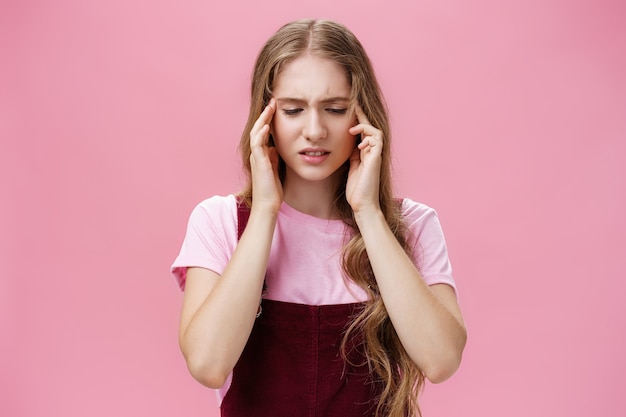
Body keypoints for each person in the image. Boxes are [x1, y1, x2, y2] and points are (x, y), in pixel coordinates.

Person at [171, 18, 466, 417]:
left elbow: (442, 360)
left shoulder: (412, 224)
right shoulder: (220, 221)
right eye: (293, 110)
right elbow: (207, 364)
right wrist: (264, 212)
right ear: (266, 119)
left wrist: (369, 214)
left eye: (335, 109)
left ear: (363, 117)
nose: (315, 130)